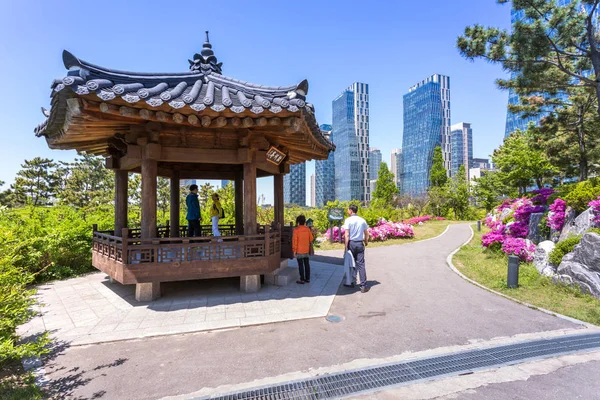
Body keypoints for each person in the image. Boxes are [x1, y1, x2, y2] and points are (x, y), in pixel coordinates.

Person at [343, 205, 370, 293]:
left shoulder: (348, 220)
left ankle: (351, 282)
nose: (347, 211)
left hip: (351, 243)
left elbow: (346, 235)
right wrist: (366, 241)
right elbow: (366, 233)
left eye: (348, 210)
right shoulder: (362, 220)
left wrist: (346, 247)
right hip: (359, 243)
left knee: (351, 264)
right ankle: (363, 286)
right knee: (361, 264)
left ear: (351, 211)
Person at [292, 214, 314, 284]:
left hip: (299, 250)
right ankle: (307, 279)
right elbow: (311, 239)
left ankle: (302, 279)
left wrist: (294, 251)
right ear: (304, 221)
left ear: (298, 221)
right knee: (307, 264)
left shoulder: (296, 230)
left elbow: (295, 241)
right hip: (306, 250)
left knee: (300, 265)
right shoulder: (307, 229)